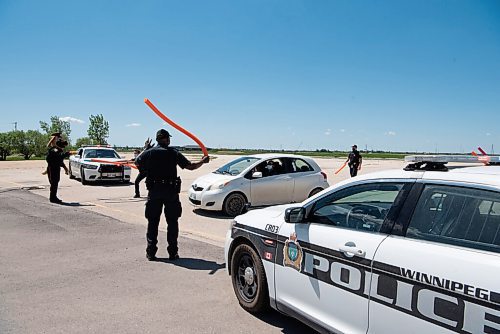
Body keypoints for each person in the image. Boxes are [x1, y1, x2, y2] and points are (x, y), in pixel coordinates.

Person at [136, 129, 209, 261]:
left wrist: (145, 149)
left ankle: (151, 252)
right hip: (170, 192)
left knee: (153, 223)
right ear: (165, 139)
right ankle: (173, 253)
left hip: (155, 191)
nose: (169, 140)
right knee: (172, 223)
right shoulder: (173, 153)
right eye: (168, 138)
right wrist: (202, 161)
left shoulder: (149, 153)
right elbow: (190, 166)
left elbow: (137, 162)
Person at [45, 133, 70, 203]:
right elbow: (58, 159)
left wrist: (65, 168)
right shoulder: (55, 150)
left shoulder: (56, 149)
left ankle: (53, 197)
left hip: (54, 168)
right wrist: (65, 155)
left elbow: (60, 161)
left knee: (54, 182)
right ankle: (53, 198)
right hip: (53, 168)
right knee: (54, 182)